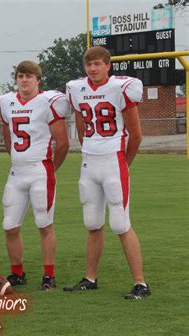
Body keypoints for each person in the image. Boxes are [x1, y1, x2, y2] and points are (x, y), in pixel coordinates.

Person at [64, 46, 151, 299]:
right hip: (90, 161)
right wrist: (89, 147)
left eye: (97, 64)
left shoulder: (121, 88)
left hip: (113, 159)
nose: (93, 69)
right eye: (89, 65)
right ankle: (90, 278)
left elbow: (136, 135)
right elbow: (81, 124)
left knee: (121, 223)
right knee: (92, 223)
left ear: (108, 65)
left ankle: (141, 283)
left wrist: (124, 162)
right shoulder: (77, 90)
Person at [0, 61, 69, 290]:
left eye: (29, 76)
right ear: (16, 79)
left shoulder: (48, 102)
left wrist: (50, 168)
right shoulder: (7, 102)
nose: (24, 80)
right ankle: (17, 272)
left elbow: (63, 143)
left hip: (40, 169)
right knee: (9, 225)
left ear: (38, 80)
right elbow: (8, 136)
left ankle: (49, 274)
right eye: (20, 76)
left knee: (44, 224)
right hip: (16, 172)